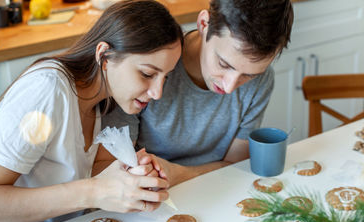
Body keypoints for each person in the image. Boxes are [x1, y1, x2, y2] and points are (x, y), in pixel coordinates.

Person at [0, 0, 183, 222]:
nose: (158, 92)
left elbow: (88, 166)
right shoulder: (47, 91)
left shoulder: (102, 99)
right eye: (147, 74)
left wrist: (131, 173)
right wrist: (94, 191)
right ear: (105, 56)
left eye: (166, 77)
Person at [102, 0, 294, 187]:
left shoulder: (262, 80)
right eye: (224, 64)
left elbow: (235, 164)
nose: (229, 88)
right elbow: (111, 168)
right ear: (204, 24)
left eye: (249, 75)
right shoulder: (151, 68)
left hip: (220, 187)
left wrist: (181, 174)